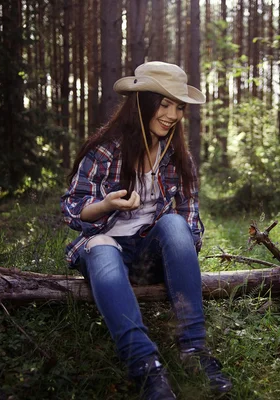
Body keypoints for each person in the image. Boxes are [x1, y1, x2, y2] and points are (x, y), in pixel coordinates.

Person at [61, 61, 232, 400]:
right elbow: (72, 207)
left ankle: (194, 351)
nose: (172, 114)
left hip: (150, 254)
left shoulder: (176, 157)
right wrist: (108, 204)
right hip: (106, 248)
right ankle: (145, 366)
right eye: (164, 104)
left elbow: (190, 221)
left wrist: (177, 249)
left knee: (174, 223)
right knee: (103, 245)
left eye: (179, 107)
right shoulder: (106, 149)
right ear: (142, 102)